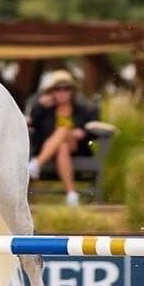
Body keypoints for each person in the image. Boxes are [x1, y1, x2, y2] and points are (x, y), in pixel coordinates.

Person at [27, 68, 97, 206]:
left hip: (77, 147)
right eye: (58, 89)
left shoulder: (82, 109)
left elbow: (93, 128)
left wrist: (83, 132)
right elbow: (31, 122)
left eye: (67, 89)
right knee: (62, 146)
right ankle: (72, 194)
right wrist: (40, 106)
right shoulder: (45, 108)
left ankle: (36, 164)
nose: (62, 92)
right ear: (52, 91)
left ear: (72, 91)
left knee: (64, 130)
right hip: (50, 149)